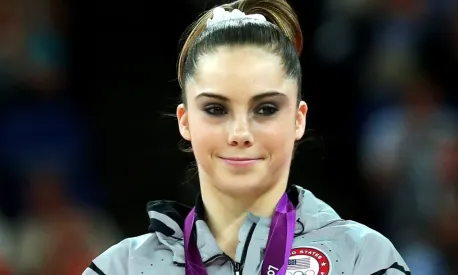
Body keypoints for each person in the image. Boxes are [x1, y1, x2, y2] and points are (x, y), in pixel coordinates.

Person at [83, 0, 411, 274]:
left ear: (298, 120)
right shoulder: (120, 267)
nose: (240, 133)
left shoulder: (363, 259)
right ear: (185, 122)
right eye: (215, 109)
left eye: (266, 109)